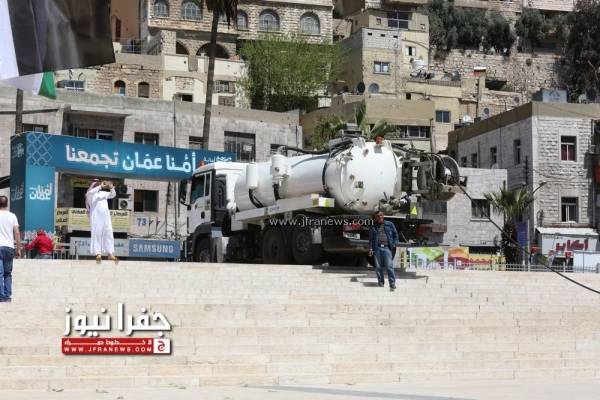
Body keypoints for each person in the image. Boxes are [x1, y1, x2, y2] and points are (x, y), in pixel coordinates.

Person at [87, 180, 118, 264]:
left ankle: (110, 253)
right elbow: (91, 192)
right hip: (96, 218)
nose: (97, 185)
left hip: (106, 217)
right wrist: (100, 186)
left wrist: (111, 187)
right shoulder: (90, 195)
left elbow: (113, 195)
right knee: (97, 234)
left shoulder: (103, 193)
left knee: (108, 234)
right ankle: (98, 254)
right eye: (95, 184)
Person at [369, 211, 399, 290]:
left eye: (381, 215)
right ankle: (381, 282)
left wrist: (394, 244)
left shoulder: (389, 224)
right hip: (377, 248)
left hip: (387, 248)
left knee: (389, 266)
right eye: (378, 216)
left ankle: (392, 283)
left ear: (383, 216)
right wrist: (371, 249)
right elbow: (371, 239)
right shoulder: (373, 227)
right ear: (375, 218)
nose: (380, 217)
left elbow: (396, 235)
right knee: (378, 267)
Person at [0, 195, 21, 302]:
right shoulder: (12, 216)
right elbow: (17, 233)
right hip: (9, 247)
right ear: (7, 204)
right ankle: (7, 296)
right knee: (7, 274)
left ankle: (1, 296)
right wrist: (18, 248)